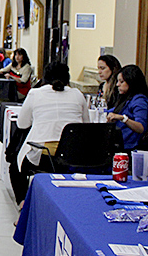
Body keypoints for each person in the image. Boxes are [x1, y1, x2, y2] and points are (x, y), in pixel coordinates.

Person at [9, 62, 89, 203]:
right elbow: (86, 126)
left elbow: (22, 124)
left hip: (45, 156)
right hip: (73, 156)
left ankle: (23, 205)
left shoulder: (35, 94)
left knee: (15, 169)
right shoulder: (77, 94)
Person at [105, 64, 148, 152]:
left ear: (131, 82)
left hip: (129, 148)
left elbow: (141, 127)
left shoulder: (140, 101)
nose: (117, 85)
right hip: (117, 143)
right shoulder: (126, 98)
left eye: (121, 81)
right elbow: (112, 111)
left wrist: (123, 118)